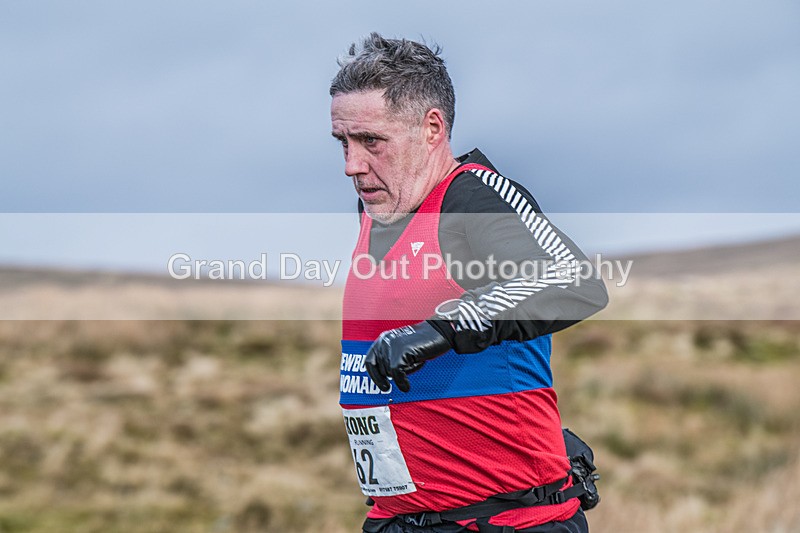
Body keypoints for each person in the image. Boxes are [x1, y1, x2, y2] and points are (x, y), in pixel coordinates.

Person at [331, 33, 608, 533]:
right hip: (399, 520)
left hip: (506, 522)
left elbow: (575, 280)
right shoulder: (375, 207)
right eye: (344, 143)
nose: (352, 165)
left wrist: (436, 331)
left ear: (432, 128)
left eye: (372, 141)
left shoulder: (473, 198)